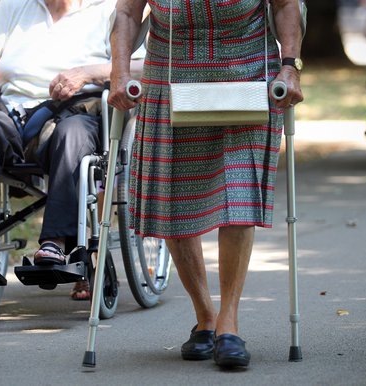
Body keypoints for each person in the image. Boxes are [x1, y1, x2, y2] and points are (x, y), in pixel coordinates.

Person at [108, 0, 304, 369]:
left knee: (239, 193)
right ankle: (206, 318)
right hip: (170, 72)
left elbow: (286, 5)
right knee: (173, 199)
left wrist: (290, 67)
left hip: (246, 70)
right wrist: (119, 73)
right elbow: (127, 13)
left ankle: (228, 324)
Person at [0, 0, 144, 301]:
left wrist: (88, 73)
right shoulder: (15, 7)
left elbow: (141, 68)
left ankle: (55, 243)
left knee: (73, 133)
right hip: (10, 114)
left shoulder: (110, 10)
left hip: (77, 114)